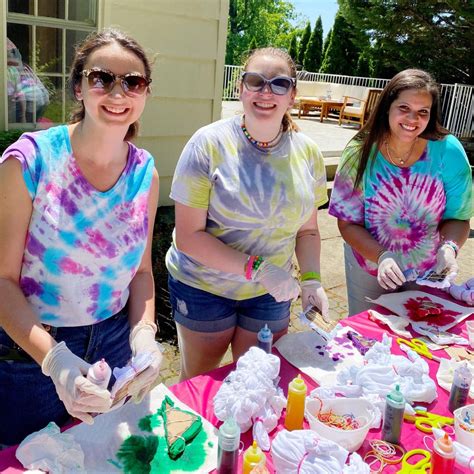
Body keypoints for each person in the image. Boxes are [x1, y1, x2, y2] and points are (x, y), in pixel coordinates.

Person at [0, 28, 162, 446]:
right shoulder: (31, 159)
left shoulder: (146, 172)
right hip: (31, 353)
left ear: (144, 93)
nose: (117, 91)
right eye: (101, 78)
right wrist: (54, 360)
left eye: (133, 81)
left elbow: (141, 273)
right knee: (30, 458)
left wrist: (144, 333)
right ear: (79, 87)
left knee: (105, 455)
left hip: (113, 344)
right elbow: (2, 282)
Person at [166, 47, 329, 380]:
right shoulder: (207, 144)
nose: (266, 92)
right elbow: (189, 237)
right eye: (256, 81)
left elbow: (308, 231)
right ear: (241, 88)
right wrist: (259, 269)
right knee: (201, 383)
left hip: (270, 295)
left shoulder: (308, 153)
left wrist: (312, 281)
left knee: (259, 379)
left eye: (279, 83)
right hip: (204, 288)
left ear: (293, 95)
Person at [328, 69, 472, 315]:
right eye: (404, 108)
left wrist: (449, 249)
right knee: (367, 336)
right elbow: (347, 223)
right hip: (369, 263)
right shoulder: (358, 152)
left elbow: (458, 217)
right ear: (387, 107)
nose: (412, 118)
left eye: (422, 112)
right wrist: (382, 256)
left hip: (428, 268)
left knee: (420, 338)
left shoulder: (448, 151)